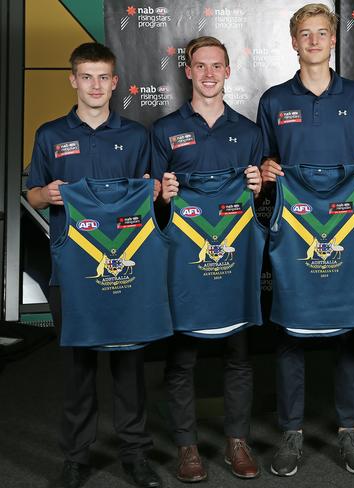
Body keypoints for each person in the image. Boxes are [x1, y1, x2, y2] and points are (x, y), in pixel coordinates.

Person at [26, 43, 162, 488]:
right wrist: (48, 195)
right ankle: (76, 457)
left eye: (103, 77)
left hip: (126, 267)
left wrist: (155, 190)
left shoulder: (137, 135)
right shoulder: (49, 134)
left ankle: (135, 454)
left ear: (115, 82)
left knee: (129, 366)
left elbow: (152, 195)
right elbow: (32, 194)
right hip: (71, 269)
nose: (96, 85)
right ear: (73, 80)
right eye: (87, 76)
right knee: (78, 368)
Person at [256, 3, 354, 476]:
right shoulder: (273, 100)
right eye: (304, 34)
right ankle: (292, 431)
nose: (313, 41)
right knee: (291, 328)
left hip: (345, 227)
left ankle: (348, 430)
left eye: (322, 33)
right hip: (295, 228)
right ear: (293, 42)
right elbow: (266, 162)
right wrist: (267, 171)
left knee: (348, 330)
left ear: (334, 40)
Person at [150, 36, 263, 482]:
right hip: (184, 262)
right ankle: (187, 446)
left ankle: (238, 441)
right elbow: (151, 205)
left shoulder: (250, 131)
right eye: (201, 66)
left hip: (233, 262)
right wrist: (163, 195)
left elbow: (261, 201)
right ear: (188, 71)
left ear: (228, 71)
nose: (210, 74)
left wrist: (258, 186)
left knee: (239, 357)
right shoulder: (163, 130)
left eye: (217, 66)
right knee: (182, 359)